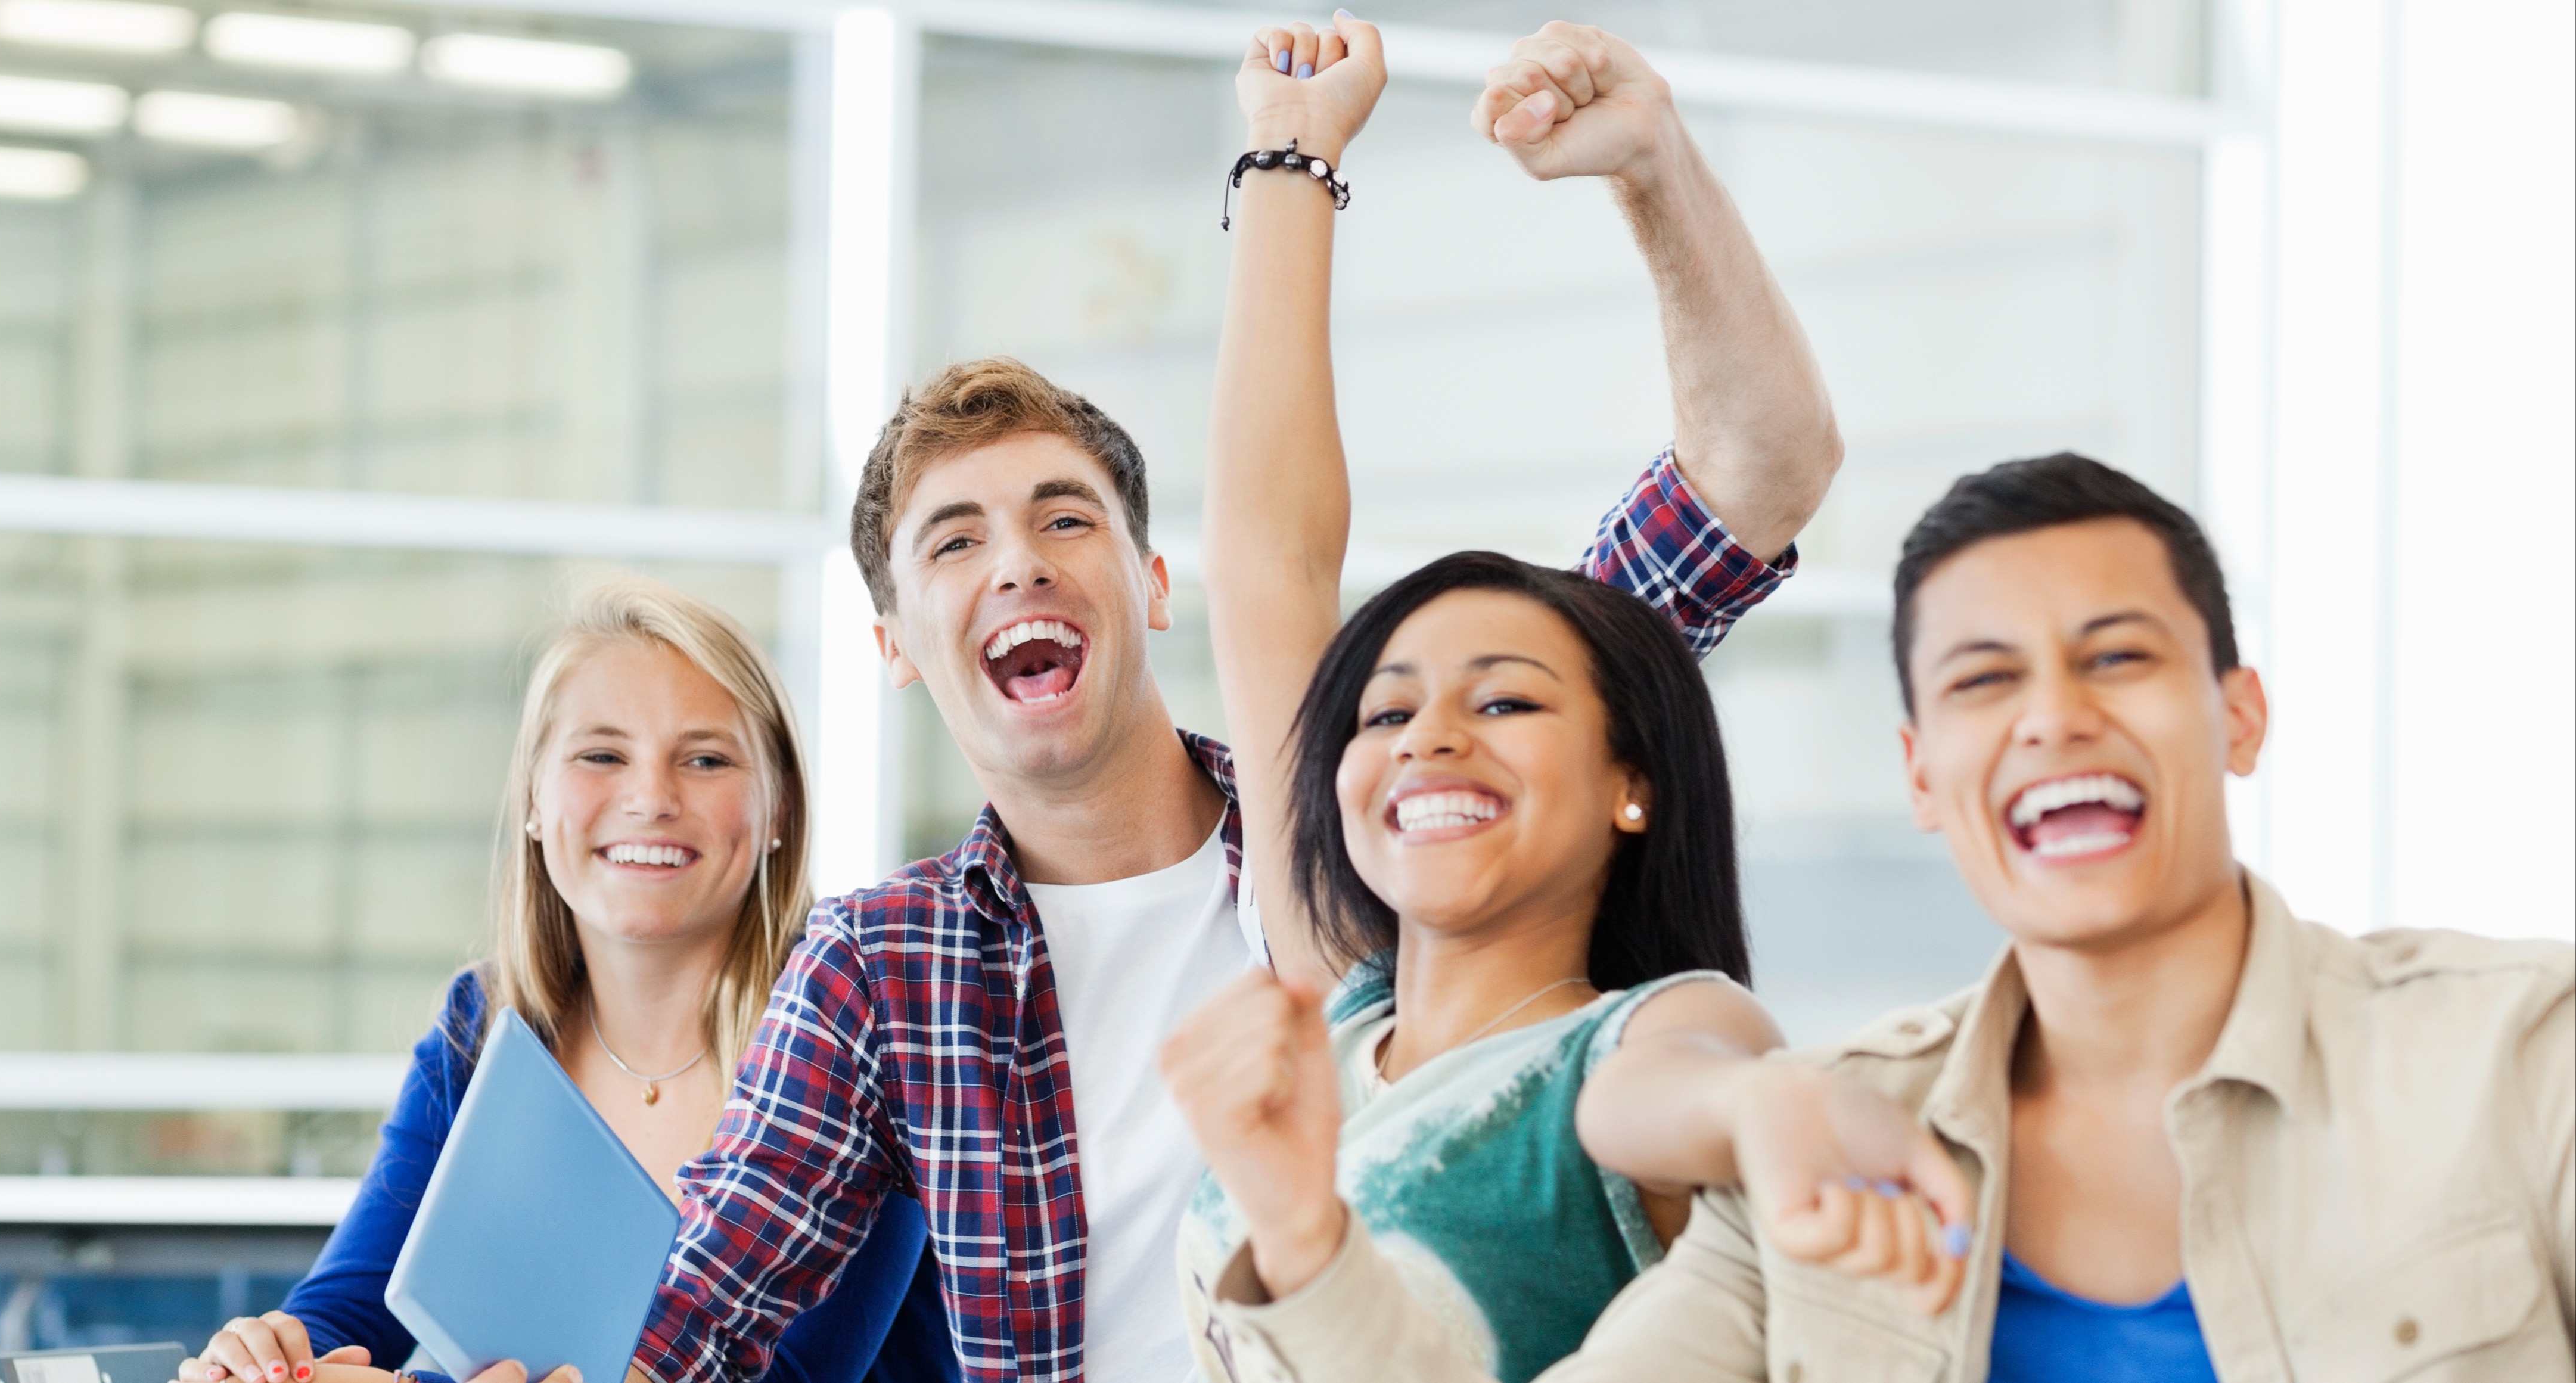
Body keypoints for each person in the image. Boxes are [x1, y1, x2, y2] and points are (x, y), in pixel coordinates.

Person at [626, 13, 1850, 1382]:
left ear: (1154, 582)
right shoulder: (881, 965)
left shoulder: (1383, 826)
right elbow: (694, 1318)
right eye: (954, 542)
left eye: (1061, 518)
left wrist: (1641, 169)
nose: (1017, 560)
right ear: (894, 640)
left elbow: (1746, 477)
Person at [1183, 452, 2576, 1382]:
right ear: (1918, 774)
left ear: (2238, 715)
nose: (2051, 716)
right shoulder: (1818, 1179)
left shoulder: (2520, 1062)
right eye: (1980, 681)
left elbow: (1642, 1081)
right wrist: (1297, 1232)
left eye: (2116, 657)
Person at [1154, 15, 1903, 1382]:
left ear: (1632, 779)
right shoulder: (1339, 999)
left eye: (1500, 705)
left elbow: (1685, 1092)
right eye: (1384, 712)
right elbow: (1263, 568)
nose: (1426, 732)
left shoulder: (1629, 1045)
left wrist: (1654, 166)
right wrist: (1284, 153)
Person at [178, 578, 956, 1383]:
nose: (651, 797)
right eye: (601, 755)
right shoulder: (480, 1027)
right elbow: (342, 1310)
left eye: (705, 758)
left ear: (780, 807)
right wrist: (269, 1359)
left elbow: (789, 1375)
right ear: (534, 801)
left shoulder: (856, 1022)